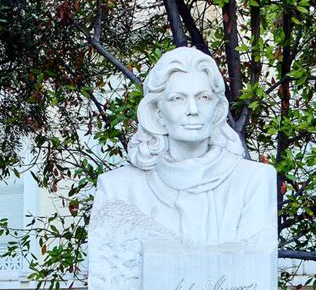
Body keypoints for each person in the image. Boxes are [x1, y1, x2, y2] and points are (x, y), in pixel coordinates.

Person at [94, 46, 276, 246]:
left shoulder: (253, 181)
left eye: (203, 98)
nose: (193, 110)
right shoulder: (118, 190)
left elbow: (253, 269)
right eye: (177, 99)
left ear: (216, 110)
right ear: (158, 114)